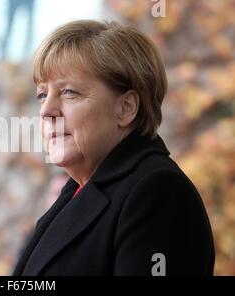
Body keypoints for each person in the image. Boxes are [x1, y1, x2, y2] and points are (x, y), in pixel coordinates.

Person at [12, 20, 215, 276]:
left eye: (69, 92)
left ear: (126, 107)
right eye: (43, 94)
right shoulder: (76, 191)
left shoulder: (157, 193)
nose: (46, 111)